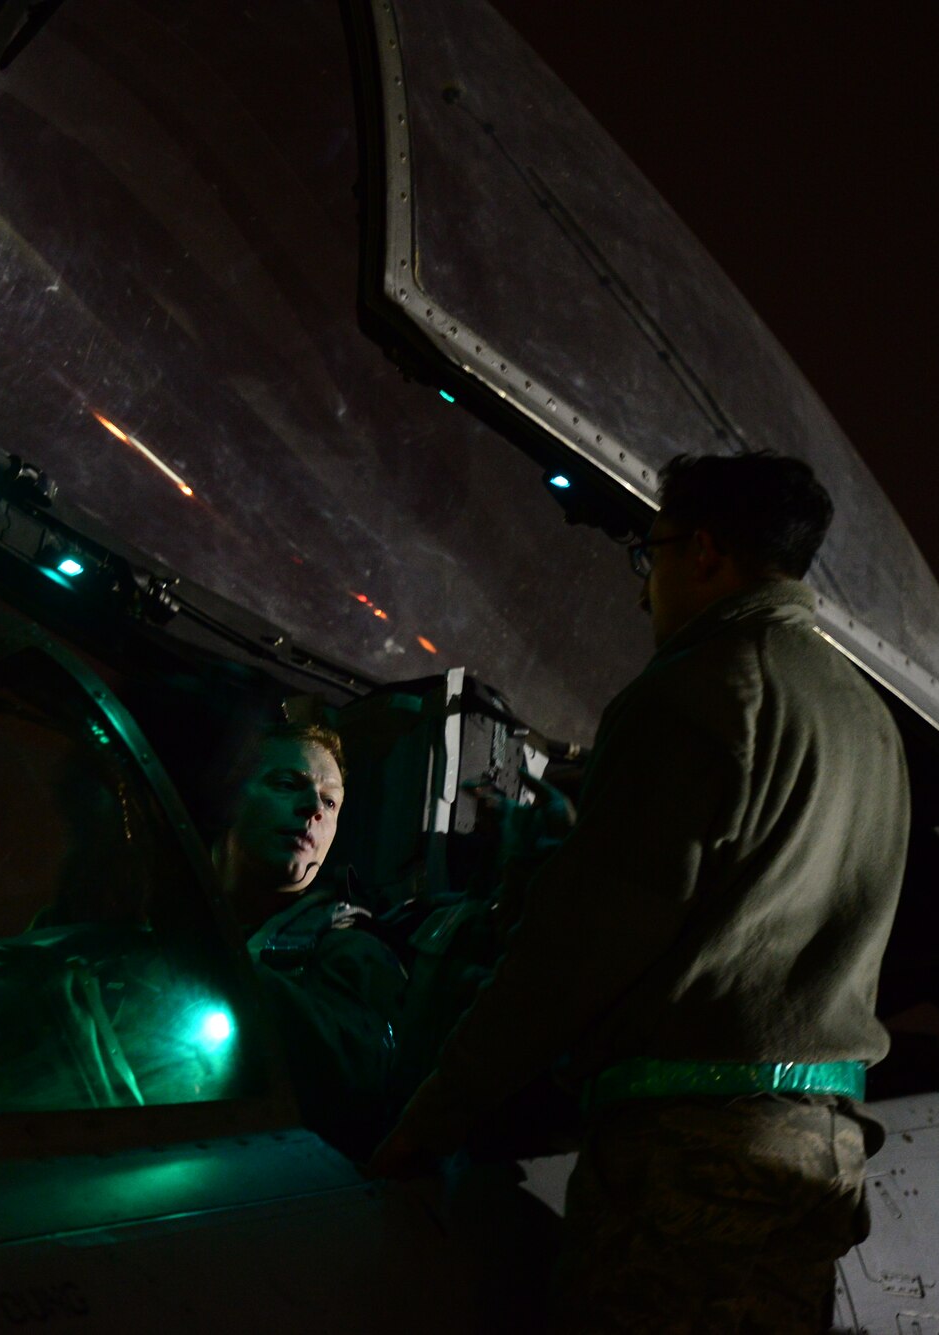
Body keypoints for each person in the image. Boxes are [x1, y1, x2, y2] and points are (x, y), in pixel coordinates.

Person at [371, 451, 911, 1333]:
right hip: (817, 1156)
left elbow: (575, 948)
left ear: (704, 552)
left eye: (648, 554)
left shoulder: (703, 689)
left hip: (695, 1167)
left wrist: (429, 1120)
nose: (640, 590)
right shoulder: (868, 720)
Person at [216, 720, 408, 1155]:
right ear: (230, 796)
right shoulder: (142, 913)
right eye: (288, 784)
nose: (314, 809)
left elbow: (356, 1094)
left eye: (330, 802)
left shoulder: (351, 950)